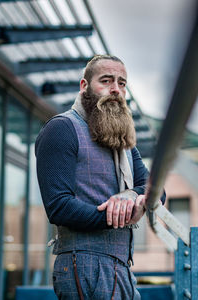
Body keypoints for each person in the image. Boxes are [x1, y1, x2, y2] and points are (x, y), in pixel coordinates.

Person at [35, 55, 165, 300]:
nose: (115, 89)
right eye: (106, 81)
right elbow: (58, 207)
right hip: (82, 264)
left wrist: (129, 196)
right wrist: (118, 213)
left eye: (122, 83)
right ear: (84, 86)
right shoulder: (61, 129)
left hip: (122, 267)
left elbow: (155, 189)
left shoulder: (123, 143)